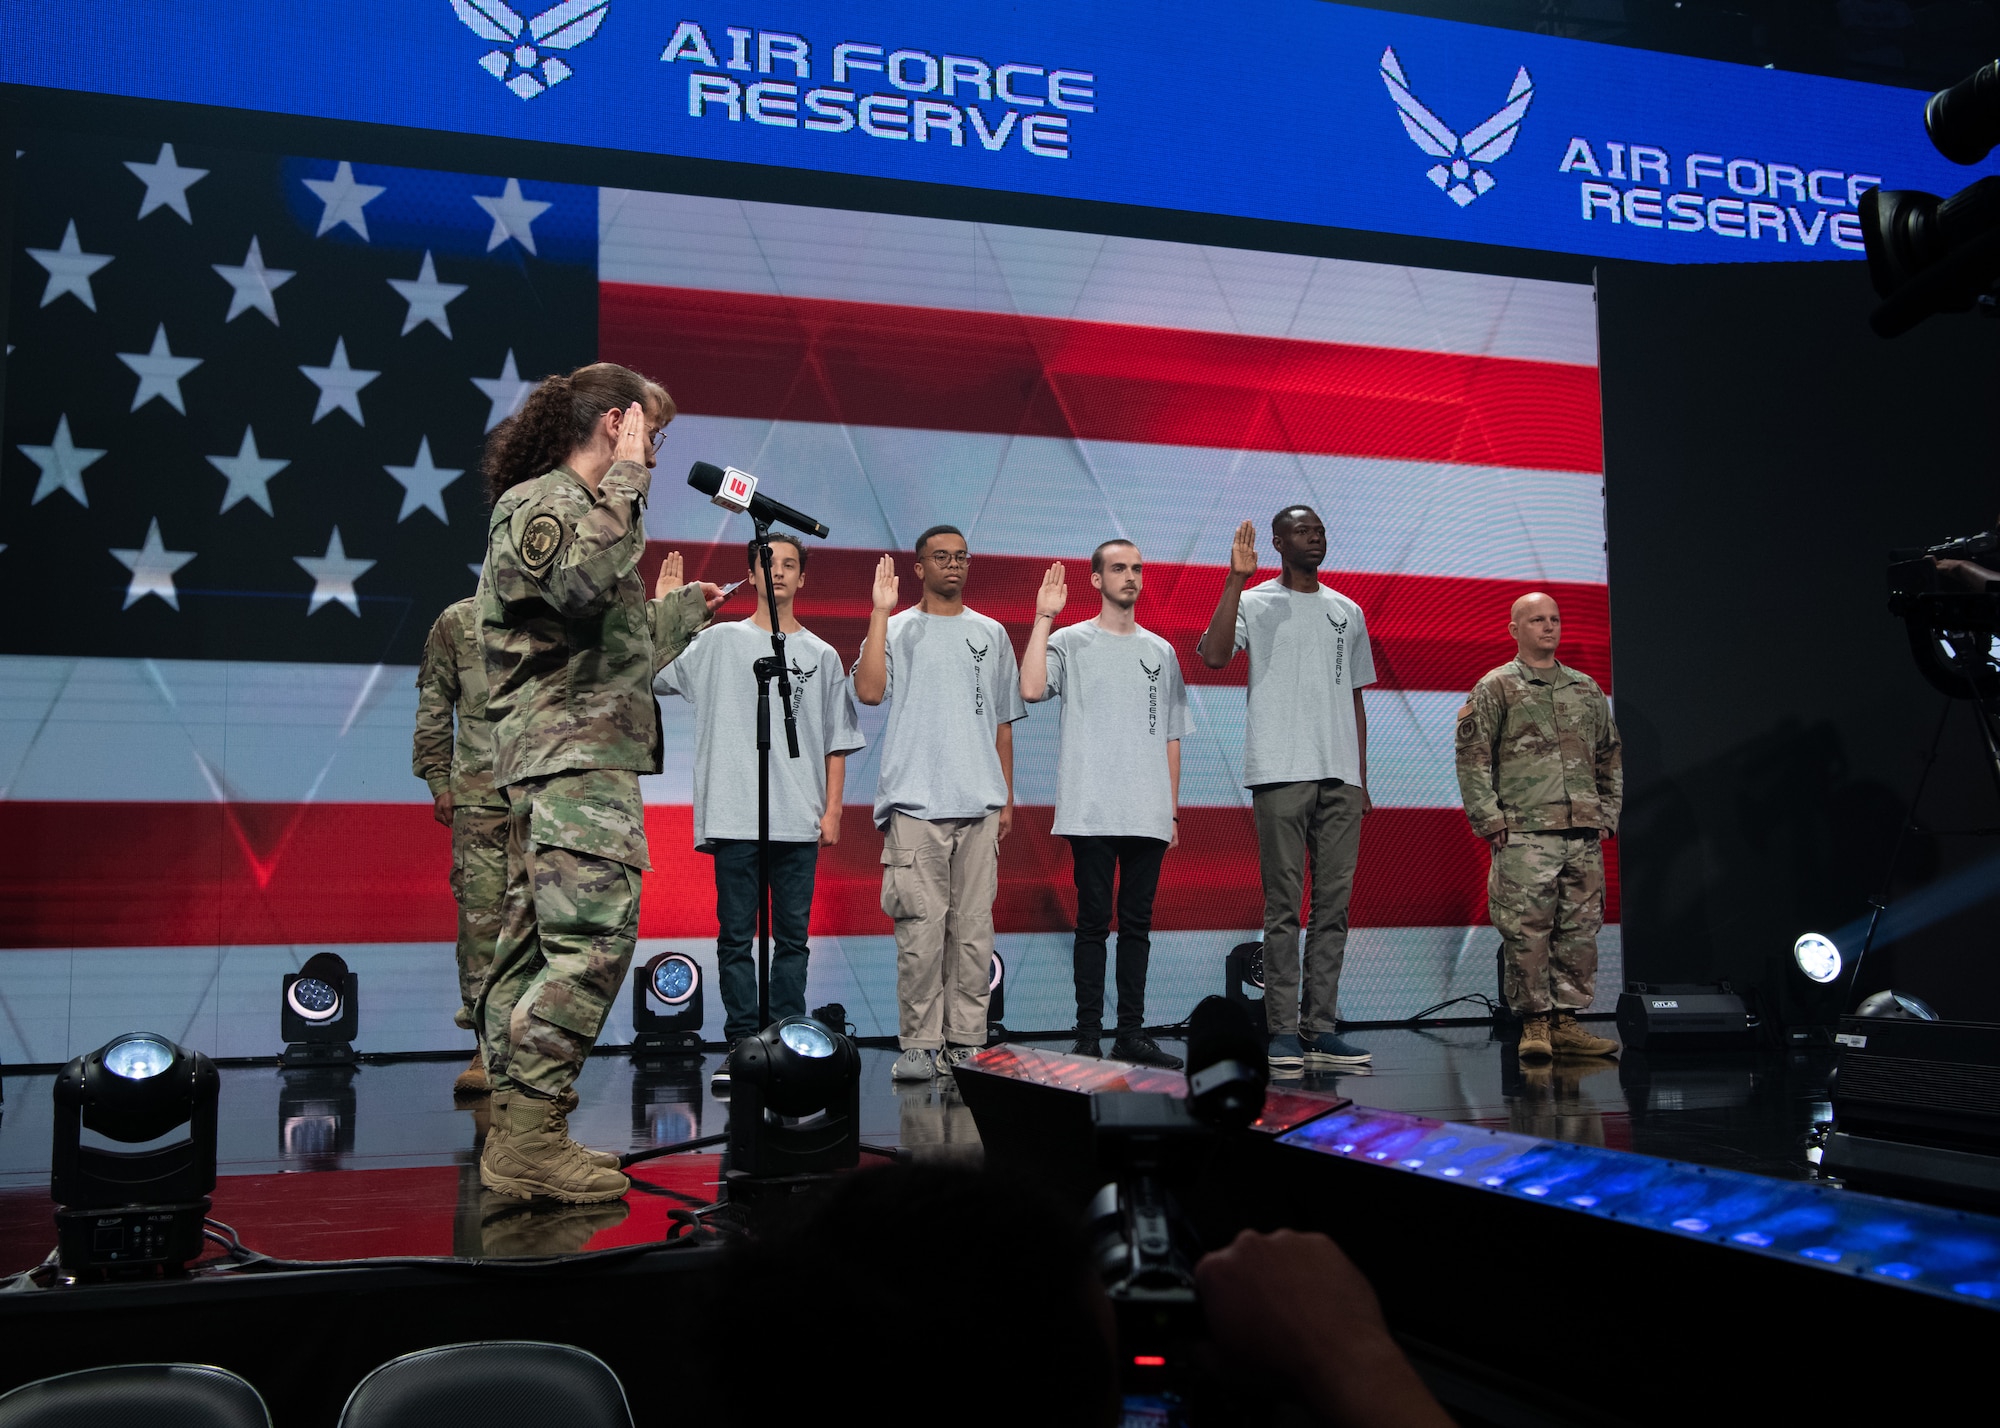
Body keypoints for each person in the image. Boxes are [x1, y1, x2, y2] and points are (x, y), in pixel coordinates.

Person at [474, 362, 722, 1204]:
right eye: (652, 432)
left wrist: (680, 614)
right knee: (591, 946)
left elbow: (601, 651)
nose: (656, 453)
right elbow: (579, 585)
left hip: (569, 755)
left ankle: (521, 1136)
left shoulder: (579, 512)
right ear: (617, 423)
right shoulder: (549, 502)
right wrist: (625, 476)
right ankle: (533, 1137)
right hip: (570, 765)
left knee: (535, 953)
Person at [654, 533, 864, 1092]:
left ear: (803, 578)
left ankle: (789, 1042)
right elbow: (654, 676)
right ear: (751, 572)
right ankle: (746, 1045)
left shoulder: (821, 655)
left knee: (792, 940)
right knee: (736, 937)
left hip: (798, 816)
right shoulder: (720, 640)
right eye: (769, 563)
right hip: (734, 813)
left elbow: (837, 740)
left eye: (790, 564)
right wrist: (669, 614)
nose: (779, 572)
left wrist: (834, 809)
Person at [1198, 509, 1376, 1074]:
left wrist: (1360, 775)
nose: (1315, 537)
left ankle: (1320, 1027)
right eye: (1303, 531)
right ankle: (1281, 1031)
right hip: (1280, 772)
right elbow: (1215, 655)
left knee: (1334, 909)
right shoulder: (1255, 602)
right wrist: (1235, 580)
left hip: (1340, 778)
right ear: (1278, 543)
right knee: (1283, 910)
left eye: (1321, 529)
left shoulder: (1347, 611)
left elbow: (1355, 697)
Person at [853, 525, 1026, 1084]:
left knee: (974, 932)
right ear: (920, 567)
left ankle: (965, 1043)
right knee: (920, 934)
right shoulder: (897, 628)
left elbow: (1002, 724)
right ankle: (920, 1044)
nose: (953, 565)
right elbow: (870, 691)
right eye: (940, 557)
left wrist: (1006, 797)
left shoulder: (992, 633)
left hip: (979, 804)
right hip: (915, 805)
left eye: (960, 557)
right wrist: (880, 612)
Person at [1020, 541, 1190, 1069]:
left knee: (1137, 925)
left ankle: (1130, 1034)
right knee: (1093, 923)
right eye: (1119, 568)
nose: (1131, 576)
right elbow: (1029, 689)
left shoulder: (1160, 650)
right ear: (1095, 580)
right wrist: (1044, 617)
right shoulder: (1070, 641)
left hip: (1147, 809)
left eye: (1137, 568)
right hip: (1091, 807)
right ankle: (1089, 1035)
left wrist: (1173, 811)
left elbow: (1172, 736)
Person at [1455, 592, 1622, 1063]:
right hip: (1526, 833)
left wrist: (1606, 814)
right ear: (1514, 629)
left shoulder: (1586, 689)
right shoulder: (1496, 687)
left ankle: (1567, 1023)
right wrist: (1489, 820)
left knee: (1579, 930)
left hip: (1582, 833)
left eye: (1554, 619)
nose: (1548, 627)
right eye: (1536, 620)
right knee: (1527, 930)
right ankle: (1534, 1024)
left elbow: (1610, 754)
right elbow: (1472, 759)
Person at [412, 596, 508, 1099]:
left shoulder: (561, 611)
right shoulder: (456, 620)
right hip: (480, 794)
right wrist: (437, 778)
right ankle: (486, 1049)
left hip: (552, 796)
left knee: (548, 927)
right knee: (481, 925)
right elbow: (435, 700)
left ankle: (535, 1064)